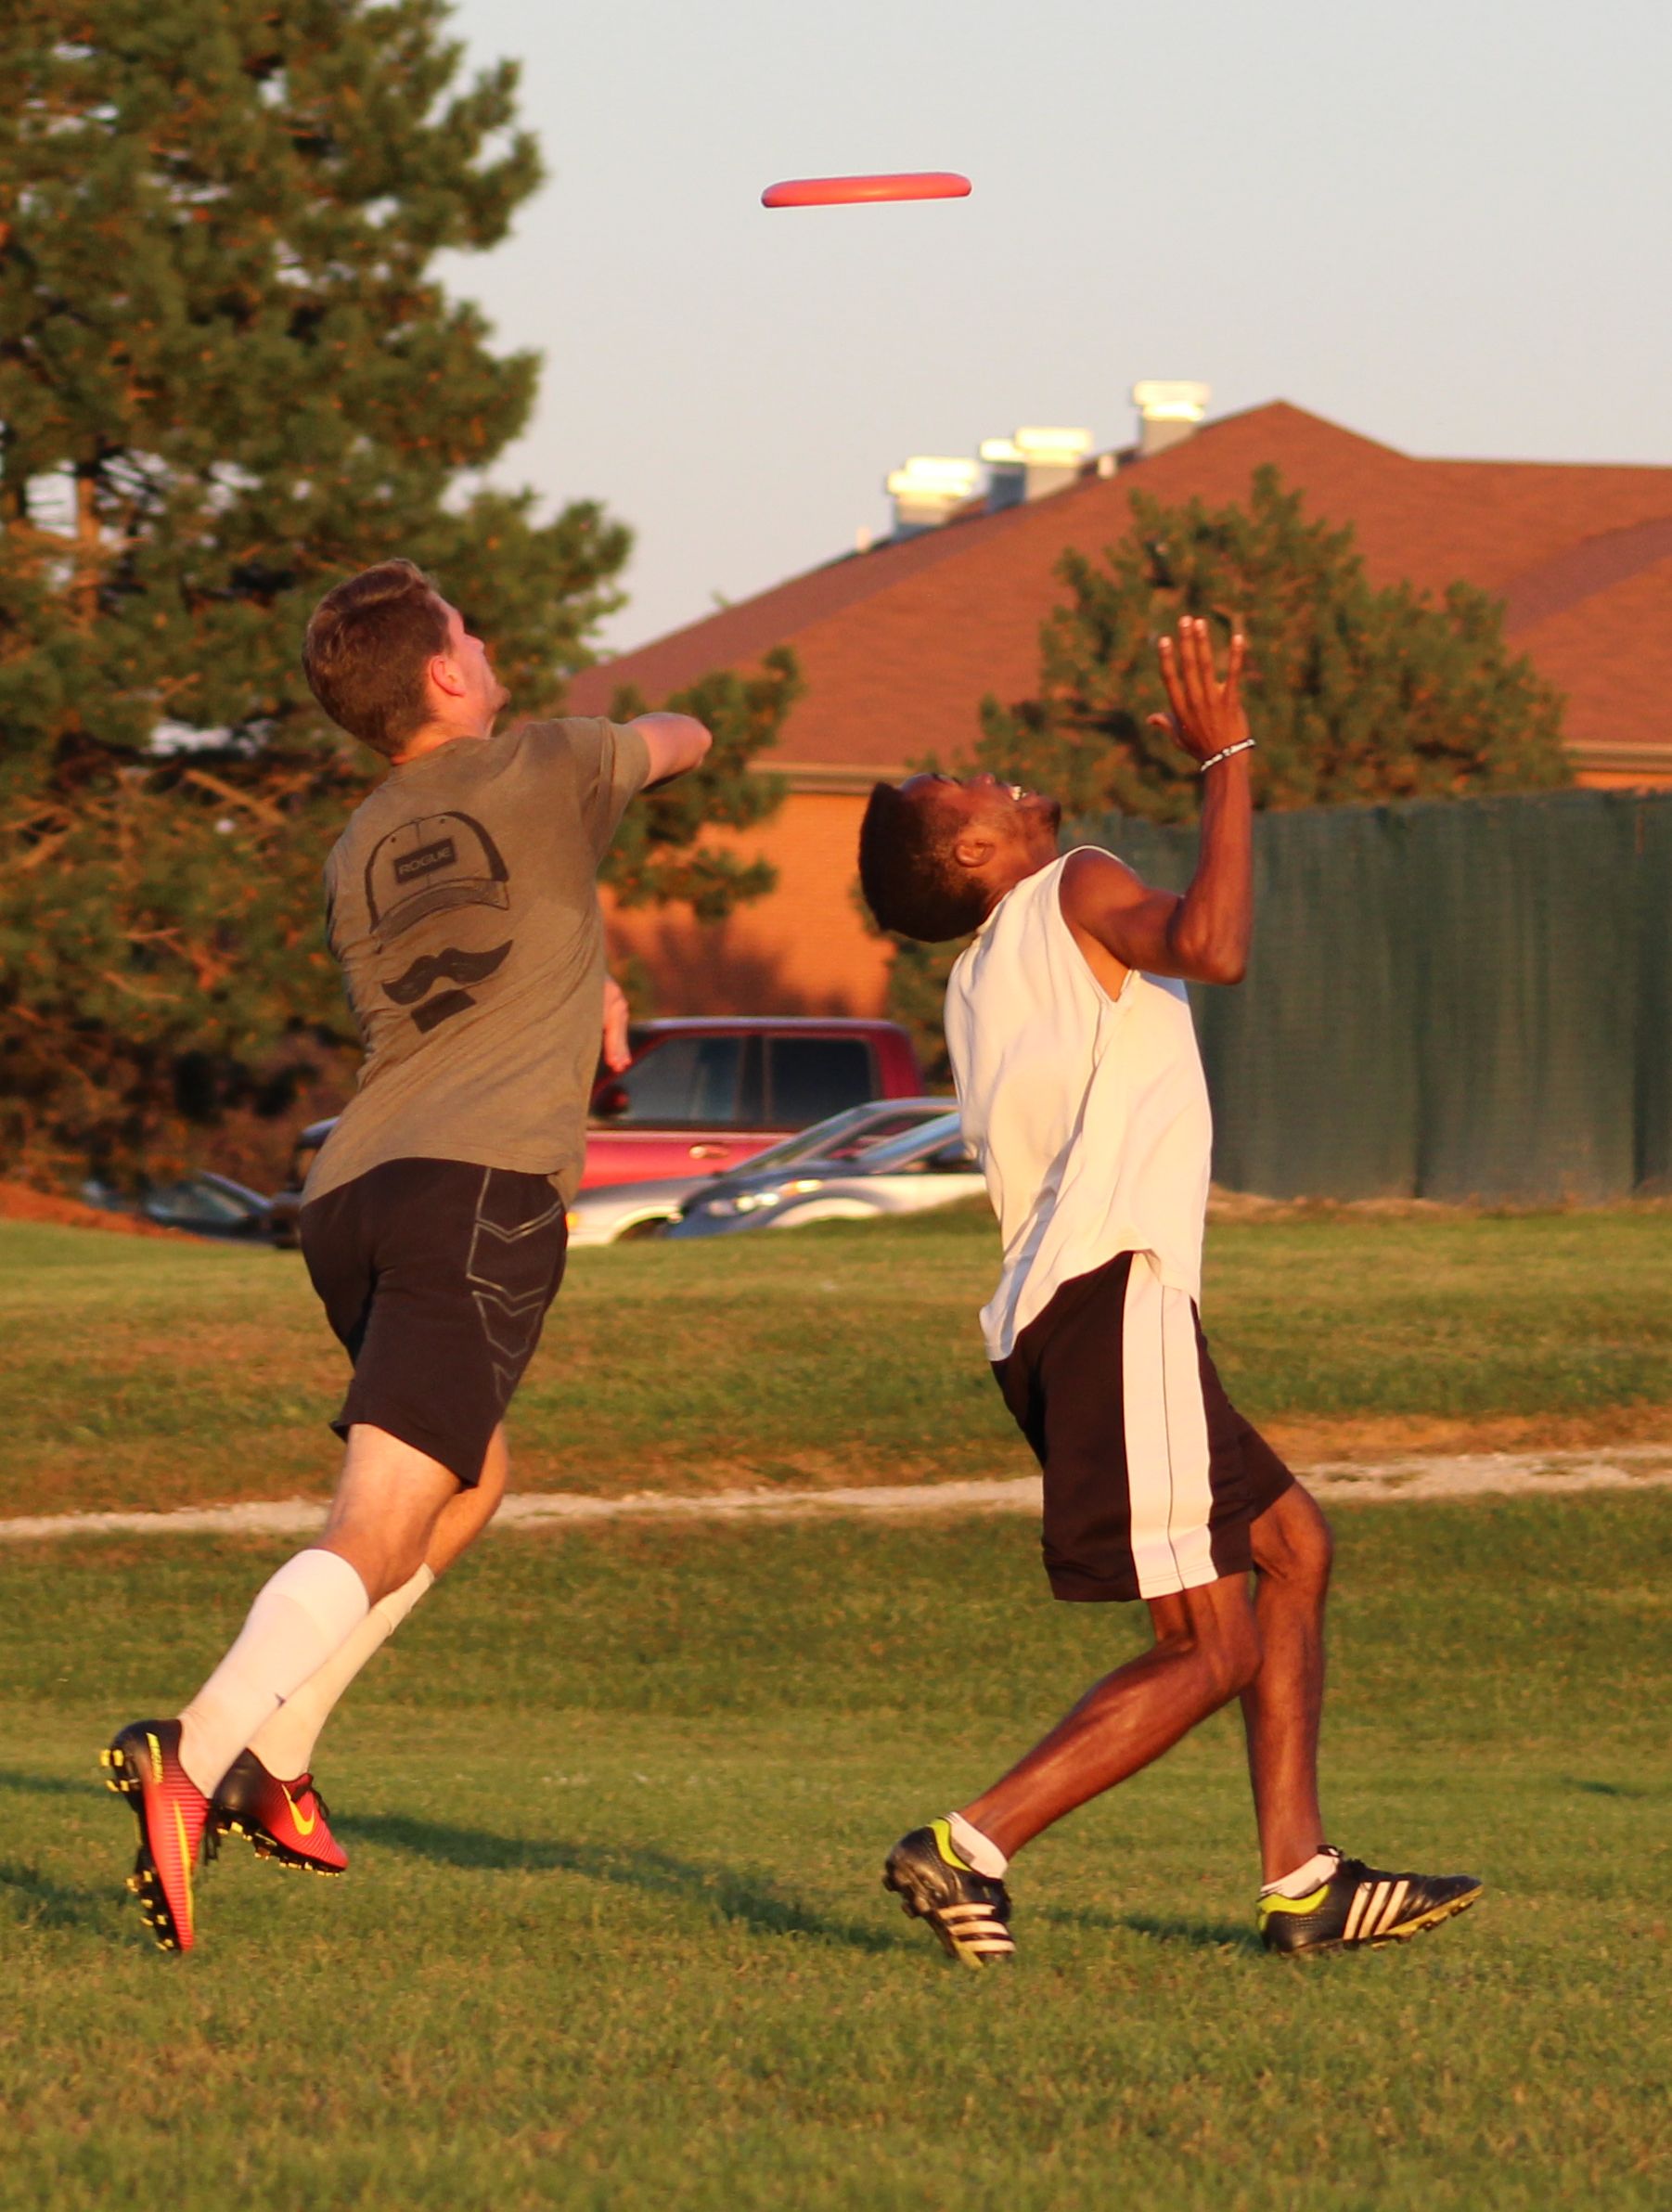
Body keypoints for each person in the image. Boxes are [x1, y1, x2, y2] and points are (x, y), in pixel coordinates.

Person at [104, 559, 710, 1952]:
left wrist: (584, 982)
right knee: (375, 1522)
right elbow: (684, 741)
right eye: (470, 631)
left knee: (474, 1475)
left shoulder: (356, 843)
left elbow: (476, 960)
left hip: (354, 1196)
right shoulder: (550, 761)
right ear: (447, 675)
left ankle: (282, 1756)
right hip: (478, 1195)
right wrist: (664, 745)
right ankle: (190, 1758)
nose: (487, 644)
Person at [856, 617, 1480, 1967]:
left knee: (1291, 1552)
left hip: (1076, 1315)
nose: (996, 776)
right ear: (970, 855)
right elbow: (1213, 943)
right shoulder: (1073, 883)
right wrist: (1228, 759)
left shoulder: (978, 974)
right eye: (967, 790)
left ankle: (1300, 1879)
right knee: (1208, 1646)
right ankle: (965, 1845)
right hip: (1109, 1298)